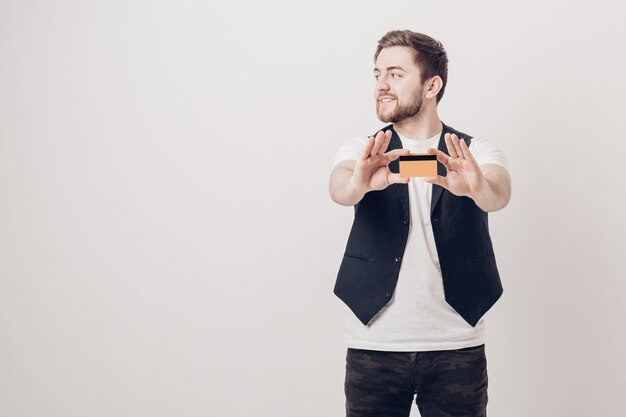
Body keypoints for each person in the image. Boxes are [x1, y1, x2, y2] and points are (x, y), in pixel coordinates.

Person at [329, 30, 511, 417]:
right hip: (373, 345)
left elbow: (499, 194)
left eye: (394, 74)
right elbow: (340, 189)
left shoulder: (475, 151)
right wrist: (359, 182)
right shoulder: (362, 151)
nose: (381, 85)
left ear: (432, 85)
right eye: (377, 74)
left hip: (456, 344)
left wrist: (477, 187)